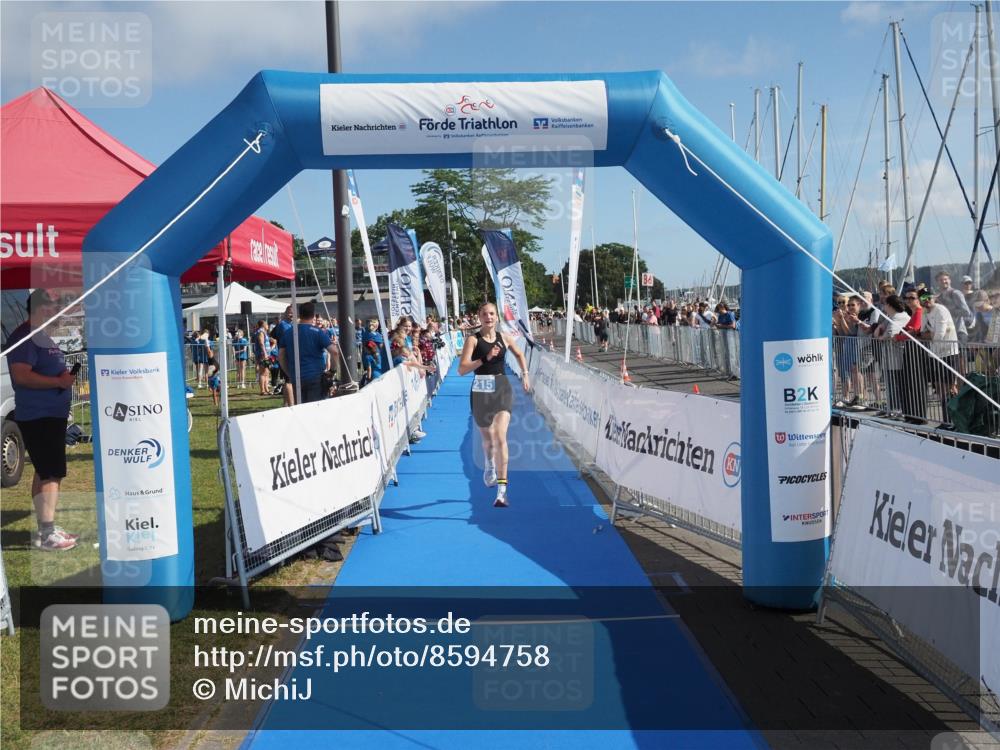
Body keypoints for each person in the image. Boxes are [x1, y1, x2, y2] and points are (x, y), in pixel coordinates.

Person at [4, 289, 80, 551]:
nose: (57, 312)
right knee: (51, 472)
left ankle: (44, 529)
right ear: (40, 308)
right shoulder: (25, 337)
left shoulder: (41, 335)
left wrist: (63, 379)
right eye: (53, 307)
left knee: (44, 470)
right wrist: (58, 382)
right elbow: (22, 376)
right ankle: (47, 534)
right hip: (39, 416)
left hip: (50, 415)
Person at [458, 302, 530, 508]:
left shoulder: (505, 338)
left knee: (500, 437)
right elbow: (462, 369)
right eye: (484, 314)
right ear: (479, 317)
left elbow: (519, 354)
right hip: (480, 391)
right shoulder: (473, 340)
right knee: (488, 441)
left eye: (492, 314)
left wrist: (525, 374)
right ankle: (489, 463)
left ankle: (502, 491)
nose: (488, 317)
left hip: (501, 389)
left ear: (497, 317)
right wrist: (485, 358)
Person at [278, 302, 338, 404]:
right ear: (313, 315)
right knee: (315, 408)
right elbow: (335, 352)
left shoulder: (288, 332)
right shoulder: (318, 332)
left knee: (301, 408)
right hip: (315, 377)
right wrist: (332, 370)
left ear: (299, 314)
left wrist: (289, 373)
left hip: (297, 377)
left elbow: (281, 356)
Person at [270, 306, 295, 406]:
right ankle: (292, 405)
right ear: (285, 313)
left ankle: (285, 404)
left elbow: (272, 335)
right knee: (289, 381)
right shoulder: (283, 325)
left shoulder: (291, 324)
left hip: (290, 355)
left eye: (293, 312)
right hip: (286, 356)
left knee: (287, 381)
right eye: (290, 312)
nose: (292, 314)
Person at [254, 320, 271, 395]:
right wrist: (265, 353)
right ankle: (262, 390)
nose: (268, 326)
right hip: (262, 355)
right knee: (263, 373)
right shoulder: (261, 332)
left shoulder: (264, 332)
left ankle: (266, 389)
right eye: (266, 324)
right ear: (263, 325)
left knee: (267, 372)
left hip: (266, 354)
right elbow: (261, 343)